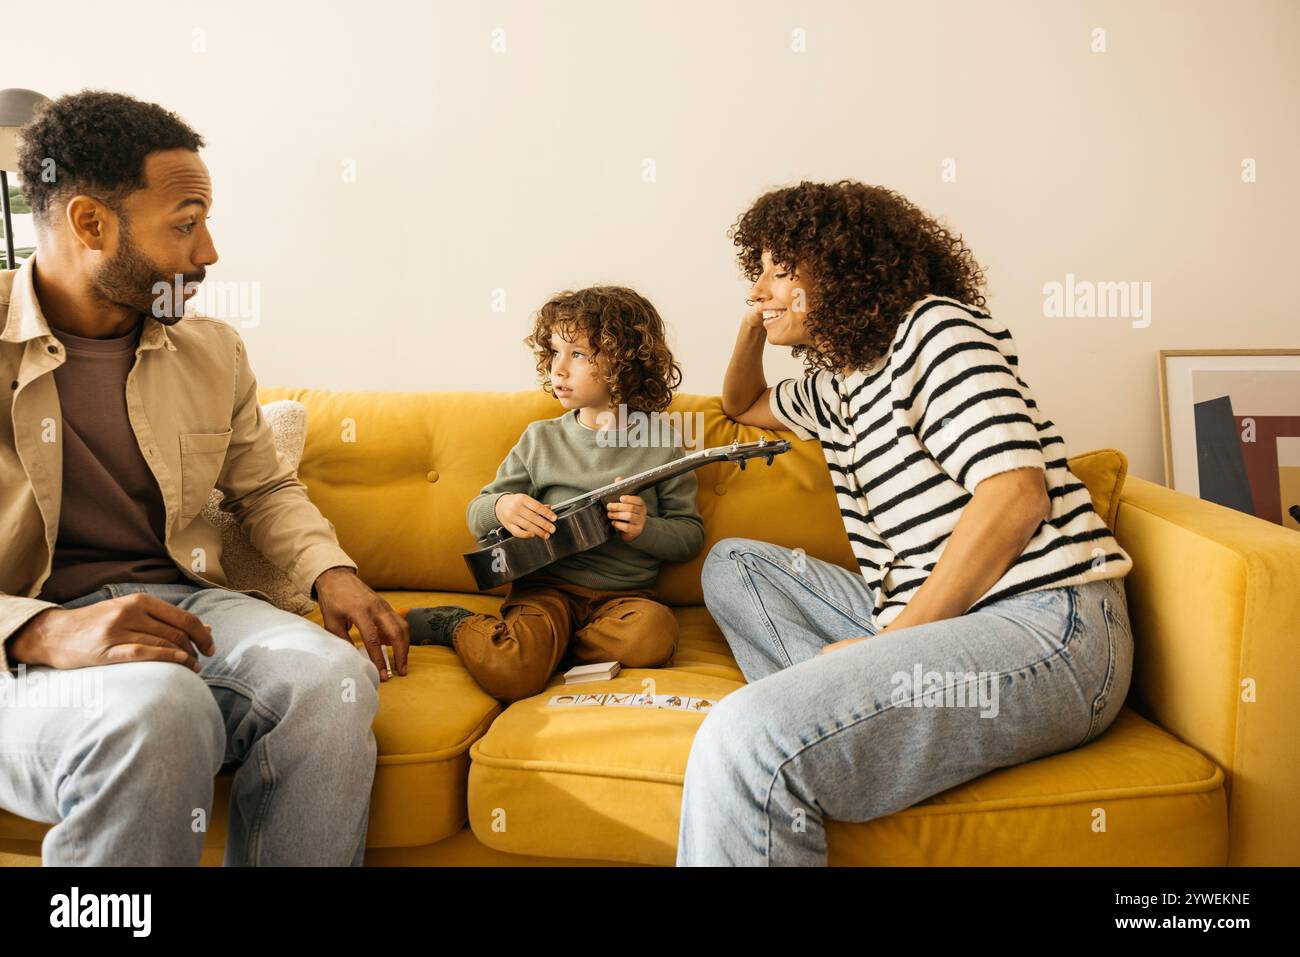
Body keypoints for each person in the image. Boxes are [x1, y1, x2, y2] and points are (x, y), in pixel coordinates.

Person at [0, 90, 410, 866]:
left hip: (179, 606)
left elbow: (265, 488)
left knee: (331, 683)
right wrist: (41, 628)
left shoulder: (210, 349)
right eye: (185, 224)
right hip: (16, 642)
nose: (209, 252)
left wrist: (332, 572)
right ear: (90, 223)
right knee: (160, 707)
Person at [676, 180, 1135, 866]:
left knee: (744, 737)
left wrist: (886, 647)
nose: (759, 286)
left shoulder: (935, 328)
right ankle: (845, 728)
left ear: (839, 264)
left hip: (1045, 622)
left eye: (780, 269)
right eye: (756, 272)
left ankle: (814, 730)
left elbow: (1015, 495)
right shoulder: (841, 385)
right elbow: (742, 403)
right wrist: (756, 321)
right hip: (926, 618)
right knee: (732, 564)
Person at [402, 286, 704, 703]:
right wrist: (503, 507)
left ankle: (544, 650)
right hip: (546, 591)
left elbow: (689, 535)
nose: (558, 369)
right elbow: (478, 512)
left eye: (577, 354)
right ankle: (455, 624)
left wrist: (644, 529)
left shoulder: (663, 446)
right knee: (511, 673)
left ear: (624, 362)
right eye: (554, 352)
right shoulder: (540, 440)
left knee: (651, 636)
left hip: (623, 601)